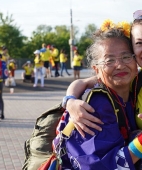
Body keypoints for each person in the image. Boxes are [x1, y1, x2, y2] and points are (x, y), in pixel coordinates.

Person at [53, 22, 142, 169]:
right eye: (109, 60)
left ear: (135, 61)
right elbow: (103, 165)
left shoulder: (132, 88)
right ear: (97, 70)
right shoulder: (94, 107)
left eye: (126, 57)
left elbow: (82, 82)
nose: (119, 65)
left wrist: (69, 99)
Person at [64, 10, 142, 137]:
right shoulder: (136, 79)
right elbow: (83, 82)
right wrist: (70, 101)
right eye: (139, 43)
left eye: (125, 57)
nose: (120, 65)